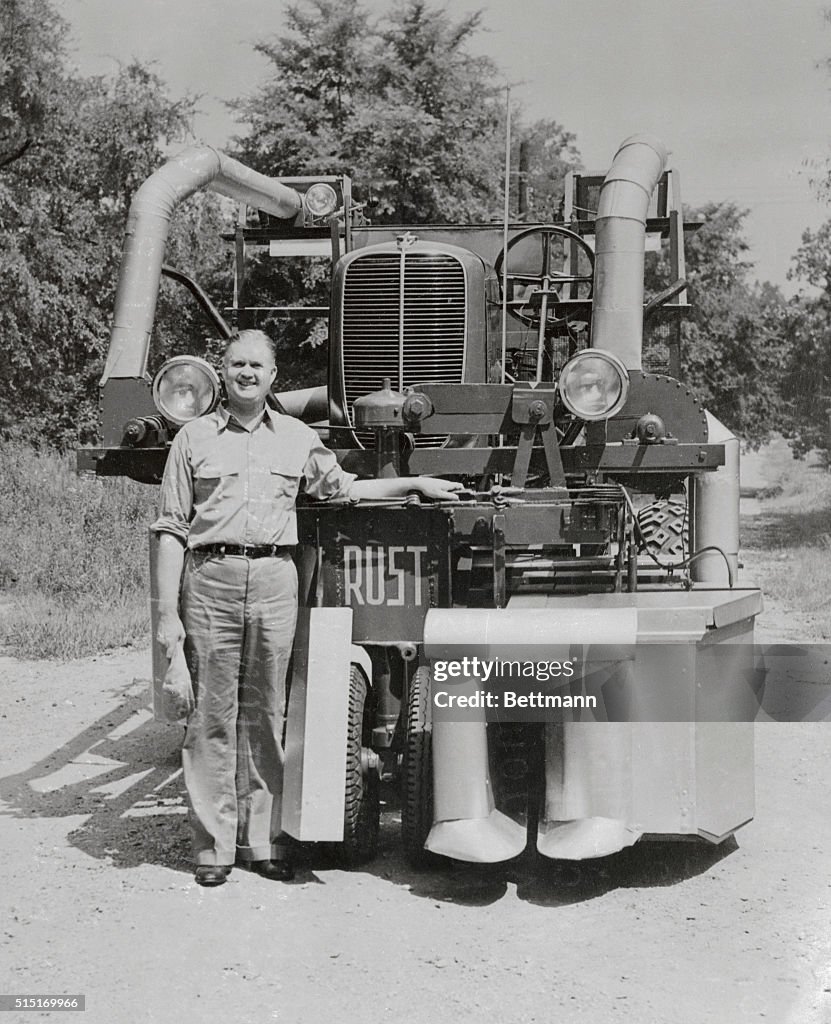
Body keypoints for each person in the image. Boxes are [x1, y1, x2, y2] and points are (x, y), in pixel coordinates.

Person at [152, 329, 463, 887]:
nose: (246, 373)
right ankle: (214, 847)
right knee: (210, 717)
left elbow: (344, 489)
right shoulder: (192, 440)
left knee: (268, 714)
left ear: (274, 378)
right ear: (222, 372)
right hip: (210, 579)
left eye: (257, 366)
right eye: (237, 363)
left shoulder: (295, 438)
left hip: (274, 578)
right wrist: (166, 616)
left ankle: (262, 842)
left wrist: (415, 482)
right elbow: (171, 529)